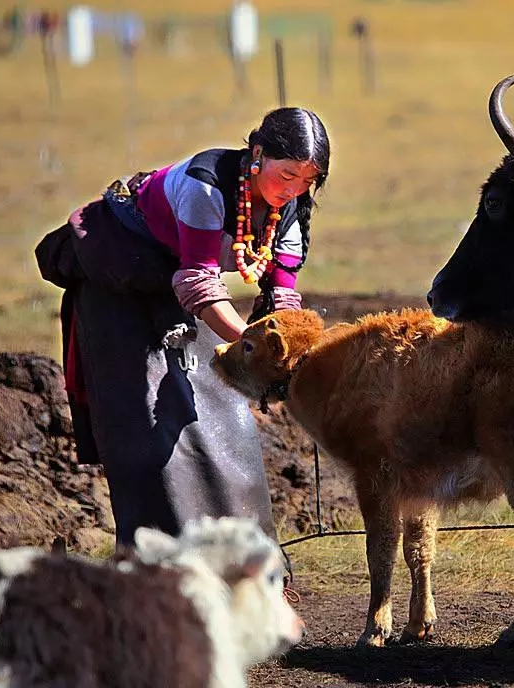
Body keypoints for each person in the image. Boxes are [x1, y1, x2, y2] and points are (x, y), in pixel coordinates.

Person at [35, 107, 330, 547]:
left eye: (308, 180)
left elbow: (283, 298)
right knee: (148, 425)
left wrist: (295, 352)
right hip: (118, 278)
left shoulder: (288, 211)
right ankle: (157, 565)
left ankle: (242, 561)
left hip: (177, 283)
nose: (294, 189)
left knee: (224, 419)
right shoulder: (205, 186)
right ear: (258, 153)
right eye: (286, 174)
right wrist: (254, 348)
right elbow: (200, 281)